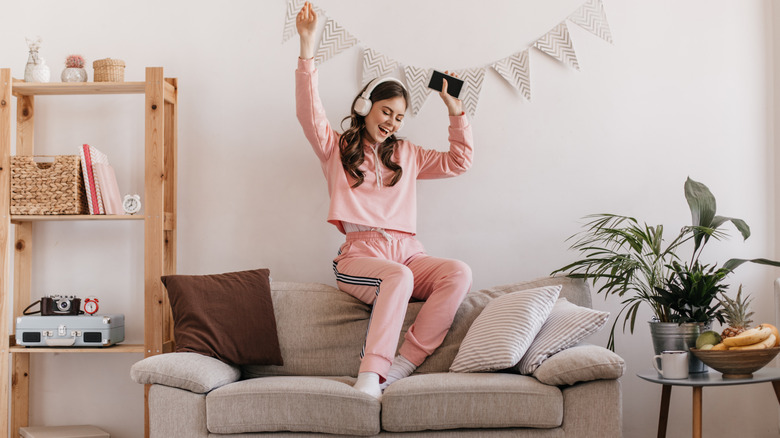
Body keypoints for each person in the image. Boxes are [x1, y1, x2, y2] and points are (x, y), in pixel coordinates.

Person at [295, 1, 474, 400]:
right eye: (386, 111)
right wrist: (307, 46)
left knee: (458, 272)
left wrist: (455, 109)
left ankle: (403, 364)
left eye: (399, 116)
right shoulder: (336, 148)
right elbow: (309, 113)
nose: (392, 121)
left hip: (409, 251)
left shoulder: (408, 154)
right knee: (398, 277)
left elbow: (460, 161)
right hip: (361, 254)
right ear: (365, 107)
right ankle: (370, 376)